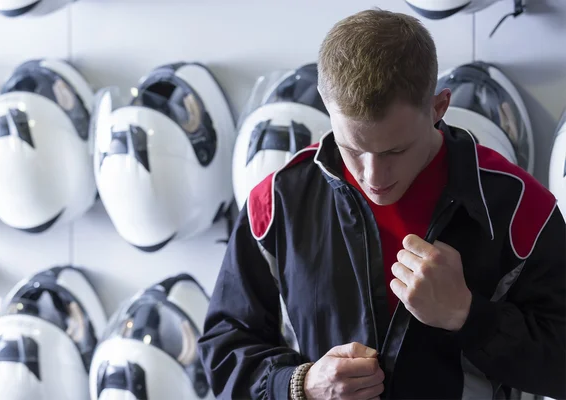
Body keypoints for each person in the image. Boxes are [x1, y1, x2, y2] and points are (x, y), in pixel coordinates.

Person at [197, 8, 566, 400]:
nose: (374, 176)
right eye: (352, 148)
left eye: (396, 150)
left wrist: (468, 315)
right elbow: (223, 353)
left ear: (439, 107)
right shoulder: (275, 203)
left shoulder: (521, 208)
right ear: (327, 107)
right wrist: (300, 384)